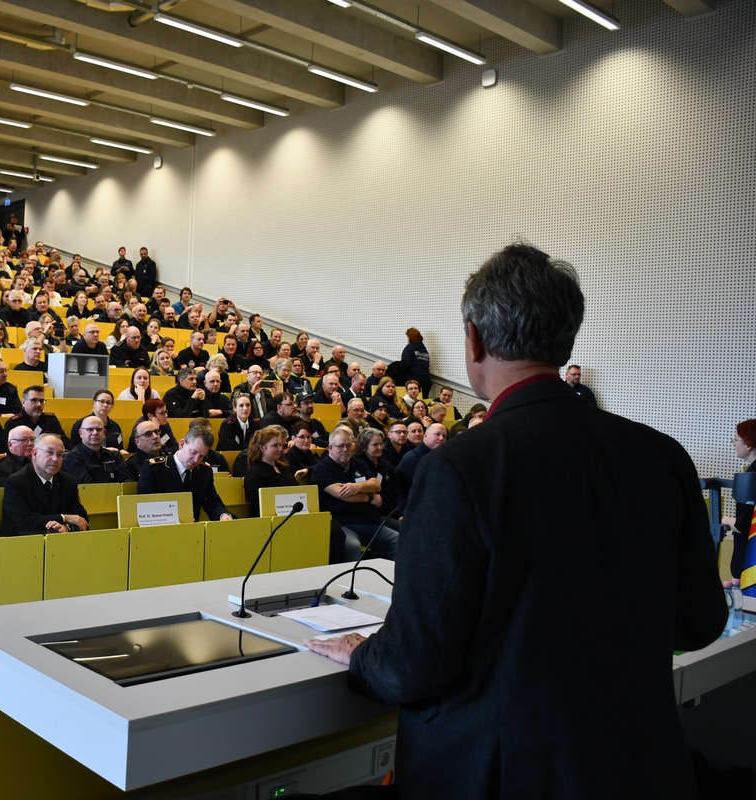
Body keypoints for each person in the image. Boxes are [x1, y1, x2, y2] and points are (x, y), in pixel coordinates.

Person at [306, 243, 725, 799]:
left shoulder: (460, 468)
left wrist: (362, 653)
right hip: (644, 770)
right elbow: (699, 623)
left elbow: (412, 666)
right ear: (564, 338)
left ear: (474, 338)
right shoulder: (663, 455)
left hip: (497, 777)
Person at [310, 424, 397, 563]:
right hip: (345, 524)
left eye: (349, 445)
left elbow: (376, 484)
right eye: (340, 446)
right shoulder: (322, 470)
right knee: (352, 546)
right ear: (330, 448)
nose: (345, 449)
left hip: (371, 522)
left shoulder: (357, 463)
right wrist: (370, 497)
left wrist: (356, 487)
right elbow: (343, 494)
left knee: (399, 541)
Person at [137, 426, 234, 521]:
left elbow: (211, 501)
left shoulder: (204, 471)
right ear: (182, 444)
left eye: (201, 456)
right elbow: (145, 507)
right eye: (193, 452)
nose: (196, 460)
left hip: (193, 531)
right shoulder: (154, 468)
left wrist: (223, 515)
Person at [0, 433, 89, 535]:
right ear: (34, 454)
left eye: (60, 455)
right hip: (22, 543)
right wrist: (64, 517)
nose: (55, 459)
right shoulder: (16, 482)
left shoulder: (68, 481)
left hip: (60, 543)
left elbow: (82, 519)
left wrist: (66, 528)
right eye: (49, 452)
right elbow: (22, 522)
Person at [63, 415, 130, 484]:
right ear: (81, 433)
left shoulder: (115, 456)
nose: (95, 433)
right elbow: (87, 487)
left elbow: (127, 483)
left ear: (104, 433)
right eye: (90, 429)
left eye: (99, 429)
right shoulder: (73, 458)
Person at [242, 427, 299, 508]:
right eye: (275, 445)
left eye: (280, 445)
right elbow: (259, 503)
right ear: (262, 448)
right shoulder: (254, 473)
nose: (280, 449)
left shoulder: (284, 467)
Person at [729, 419, 756, 586]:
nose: (733, 443)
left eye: (736, 440)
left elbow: (747, 523)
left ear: (748, 445)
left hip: (749, 563)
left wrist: (727, 521)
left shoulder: (752, 476)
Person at [394, 422, 447, 500]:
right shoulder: (412, 459)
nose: (441, 438)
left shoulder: (441, 456)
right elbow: (424, 489)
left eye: (444, 436)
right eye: (437, 434)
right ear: (425, 435)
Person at [399, 326, 432, 398]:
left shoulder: (409, 348)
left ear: (410, 337)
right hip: (426, 380)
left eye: (408, 337)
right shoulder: (424, 350)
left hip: (413, 380)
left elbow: (404, 365)